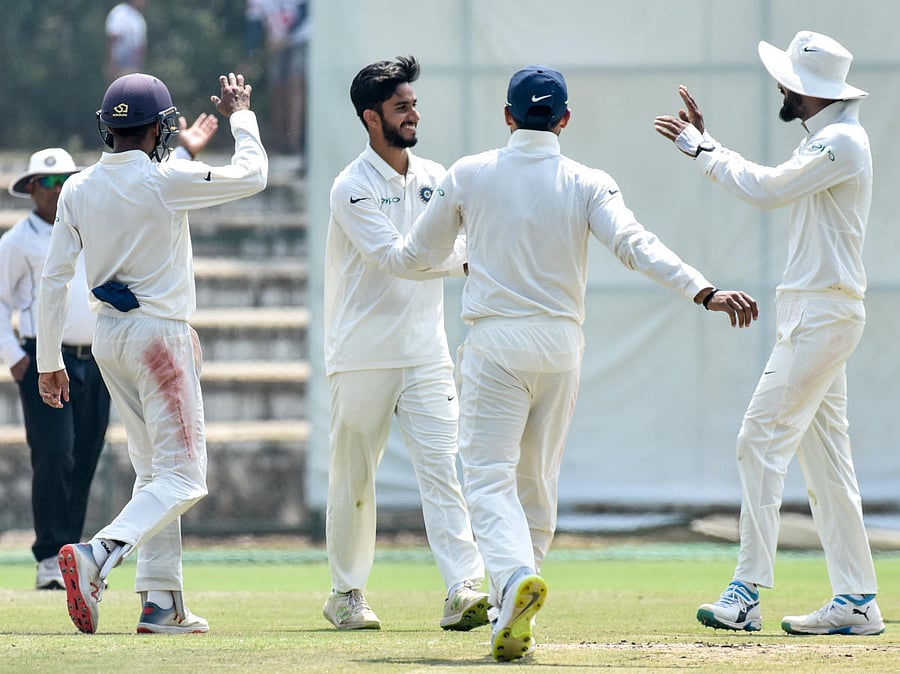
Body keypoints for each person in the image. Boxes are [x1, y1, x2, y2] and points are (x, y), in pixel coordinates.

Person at [381, 65, 758, 661]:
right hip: (561, 347)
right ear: (563, 119)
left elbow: (413, 256)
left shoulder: (470, 174)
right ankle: (514, 611)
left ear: (507, 116)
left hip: (497, 343)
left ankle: (510, 583)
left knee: (485, 476)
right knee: (536, 483)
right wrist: (704, 290)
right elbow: (637, 245)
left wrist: (442, 256)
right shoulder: (587, 180)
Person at [654, 30, 883, 636]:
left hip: (824, 316)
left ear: (806, 90)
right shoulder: (828, 140)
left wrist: (701, 148)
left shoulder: (841, 142)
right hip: (815, 313)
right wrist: (711, 145)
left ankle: (747, 589)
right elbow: (771, 180)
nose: (779, 88)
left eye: (787, 81)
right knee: (828, 463)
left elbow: (765, 189)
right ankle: (858, 599)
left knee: (757, 439)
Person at [37, 70, 267, 635]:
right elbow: (254, 174)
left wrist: (49, 360)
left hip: (108, 337)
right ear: (160, 128)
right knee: (185, 478)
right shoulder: (166, 177)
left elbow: (53, 280)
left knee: (154, 474)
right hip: (161, 338)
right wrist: (241, 113)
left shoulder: (78, 187)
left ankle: (161, 604)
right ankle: (96, 554)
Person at [0, 115, 216, 594]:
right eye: (46, 181)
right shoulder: (19, 240)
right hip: (64, 353)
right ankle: (72, 553)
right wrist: (24, 355)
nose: (56, 188)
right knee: (60, 457)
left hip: (100, 352)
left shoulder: (90, 197)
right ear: (31, 188)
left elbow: (147, 188)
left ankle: (155, 599)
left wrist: (187, 153)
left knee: (96, 460)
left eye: (61, 178)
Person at [322, 55, 489, 633]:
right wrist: (469, 262)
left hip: (426, 354)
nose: (413, 114)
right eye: (401, 107)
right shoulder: (352, 187)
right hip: (362, 355)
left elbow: (473, 236)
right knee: (354, 481)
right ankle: (345, 592)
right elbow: (395, 260)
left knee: (444, 468)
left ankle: (463, 588)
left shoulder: (438, 178)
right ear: (372, 118)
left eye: (414, 104)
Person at [105, 0, 148, 82]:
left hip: (133, 67)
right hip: (119, 65)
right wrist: (111, 64)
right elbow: (113, 39)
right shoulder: (120, 13)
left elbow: (140, 47)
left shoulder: (139, 18)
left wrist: (139, 68)